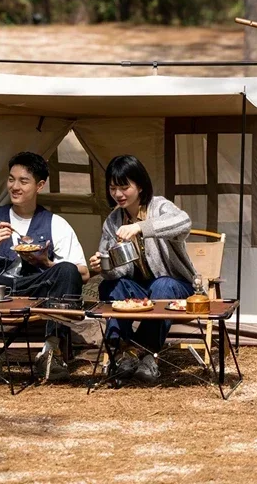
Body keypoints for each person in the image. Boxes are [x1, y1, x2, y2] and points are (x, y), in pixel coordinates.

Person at [0, 151, 89, 383]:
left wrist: (46, 262)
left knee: (67, 270)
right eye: (11, 179)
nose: (15, 186)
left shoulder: (55, 222)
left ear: (39, 185)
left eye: (23, 181)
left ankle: (50, 351)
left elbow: (83, 273)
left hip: (36, 289)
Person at [89, 154, 198, 383]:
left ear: (139, 185)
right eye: (112, 188)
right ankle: (121, 352)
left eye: (124, 187)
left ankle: (141, 351)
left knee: (162, 285)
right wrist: (104, 266)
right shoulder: (113, 221)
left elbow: (184, 222)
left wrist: (140, 227)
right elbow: (116, 271)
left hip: (176, 287)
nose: (118, 194)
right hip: (138, 289)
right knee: (110, 285)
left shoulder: (159, 207)